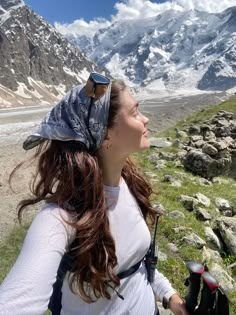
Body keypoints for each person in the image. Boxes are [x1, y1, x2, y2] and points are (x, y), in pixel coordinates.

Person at [0, 73, 189, 315]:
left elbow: (135, 263)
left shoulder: (129, 183)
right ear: (105, 134)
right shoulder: (61, 217)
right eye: (134, 113)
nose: (145, 119)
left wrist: (170, 296)